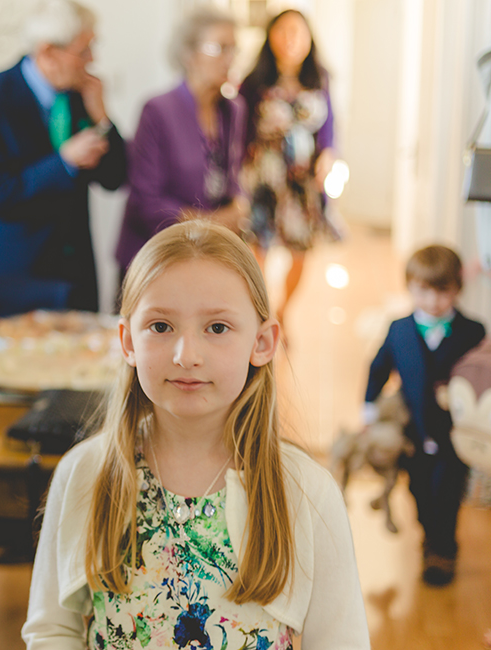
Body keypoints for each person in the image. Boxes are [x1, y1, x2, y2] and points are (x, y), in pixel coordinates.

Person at [24, 220, 370, 649]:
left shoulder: (305, 491)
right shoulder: (85, 475)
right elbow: (51, 630)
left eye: (217, 328)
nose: (187, 355)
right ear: (127, 341)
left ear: (262, 343)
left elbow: (341, 641)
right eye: (161, 327)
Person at [0, 0, 127, 312]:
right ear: (48, 53)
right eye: (83, 51)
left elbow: (115, 178)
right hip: (17, 271)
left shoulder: (83, 95)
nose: (92, 60)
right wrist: (64, 162)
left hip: (76, 273)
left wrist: (103, 119)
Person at [363, 244, 485, 586]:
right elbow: (377, 368)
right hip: (412, 429)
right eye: (423, 291)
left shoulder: (472, 331)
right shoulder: (399, 329)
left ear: (457, 288)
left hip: (453, 434)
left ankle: (443, 550)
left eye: (442, 291)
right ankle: (429, 535)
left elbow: (482, 376)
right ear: (410, 287)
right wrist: (369, 410)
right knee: (418, 489)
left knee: (448, 491)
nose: (433, 301)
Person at [115, 7, 248, 278]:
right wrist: (210, 223)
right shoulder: (158, 109)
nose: (230, 59)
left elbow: (231, 180)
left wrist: (239, 207)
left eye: (234, 49)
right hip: (154, 256)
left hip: (205, 255)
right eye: (220, 48)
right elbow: (147, 201)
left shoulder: (234, 109)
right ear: (189, 55)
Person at [239, 9, 340, 325]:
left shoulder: (319, 78)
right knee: (259, 251)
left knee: (300, 252)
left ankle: (283, 313)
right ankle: (263, 314)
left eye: (298, 32)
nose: (291, 39)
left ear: (309, 38)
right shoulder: (253, 82)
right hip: (264, 179)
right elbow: (241, 131)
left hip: (302, 181)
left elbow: (330, 127)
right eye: (283, 31)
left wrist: (330, 154)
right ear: (270, 36)